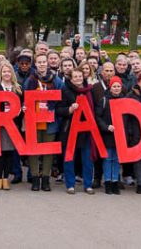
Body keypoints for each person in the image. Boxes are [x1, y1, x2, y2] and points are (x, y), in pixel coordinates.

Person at [23, 53, 64, 192]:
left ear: (47, 63)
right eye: (39, 62)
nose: (41, 64)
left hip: (50, 121)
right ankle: (35, 178)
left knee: (48, 151)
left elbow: (61, 98)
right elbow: (25, 97)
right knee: (33, 150)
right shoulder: (30, 80)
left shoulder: (56, 80)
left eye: (43, 62)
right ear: (35, 64)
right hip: (33, 121)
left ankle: (45, 179)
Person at [58, 67, 97, 195]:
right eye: (75, 77)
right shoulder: (65, 90)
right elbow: (59, 110)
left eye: (80, 76)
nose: (78, 79)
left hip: (86, 129)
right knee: (69, 158)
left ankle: (88, 185)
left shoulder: (90, 90)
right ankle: (70, 185)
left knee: (87, 159)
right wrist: (69, 109)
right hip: (70, 129)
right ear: (71, 78)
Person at [0, 63, 22, 190]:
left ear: (12, 73)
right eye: (4, 71)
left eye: (9, 71)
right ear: (0, 73)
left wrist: (21, 109)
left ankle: (6, 178)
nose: (6, 74)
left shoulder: (17, 88)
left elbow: (22, 104)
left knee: (9, 153)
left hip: (12, 124)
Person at [96, 77, 125, 195]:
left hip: (120, 135)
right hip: (107, 135)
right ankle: (107, 182)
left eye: (118, 86)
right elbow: (98, 117)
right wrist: (106, 127)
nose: (116, 89)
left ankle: (115, 182)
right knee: (108, 159)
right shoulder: (103, 100)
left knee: (117, 160)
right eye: (114, 86)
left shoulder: (125, 100)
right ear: (110, 87)